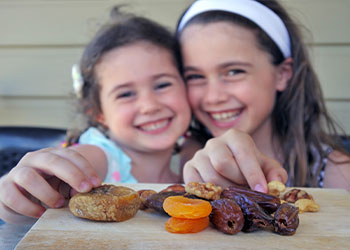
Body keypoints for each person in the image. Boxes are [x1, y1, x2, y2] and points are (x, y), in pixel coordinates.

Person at [0, 8, 193, 223]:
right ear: (99, 113)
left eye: (163, 84)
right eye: (125, 94)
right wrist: (19, 191)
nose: (149, 105)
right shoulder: (101, 157)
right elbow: (69, 165)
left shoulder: (190, 158)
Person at [176, 0, 350, 192]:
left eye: (234, 72)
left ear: (282, 74)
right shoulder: (176, 162)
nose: (213, 97)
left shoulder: (338, 175)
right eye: (195, 76)